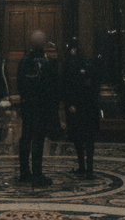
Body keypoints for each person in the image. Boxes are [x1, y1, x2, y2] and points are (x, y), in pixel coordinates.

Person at [17, 30, 58, 187]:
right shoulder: (45, 62)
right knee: (38, 140)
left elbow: (20, 84)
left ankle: (24, 172)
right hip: (41, 107)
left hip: (27, 105)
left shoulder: (24, 60)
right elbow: (50, 87)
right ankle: (37, 173)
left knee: (25, 137)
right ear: (43, 43)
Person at [61, 41, 99, 177]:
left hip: (81, 107)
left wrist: (70, 104)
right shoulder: (77, 65)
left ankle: (87, 167)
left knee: (84, 138)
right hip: (82, 107)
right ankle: (85, 167)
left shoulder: (83, 65)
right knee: (83, 138)